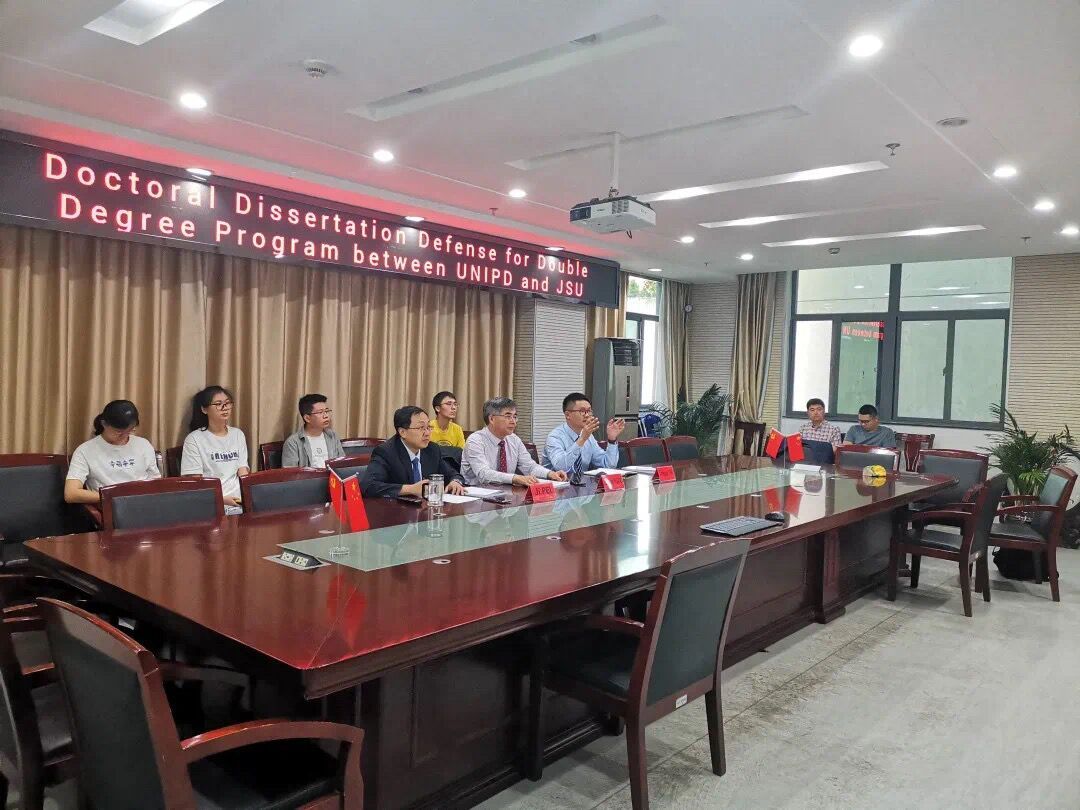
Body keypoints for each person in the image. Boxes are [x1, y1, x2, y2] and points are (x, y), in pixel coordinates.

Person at [64, 400, 161, 504]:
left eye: (130, 430)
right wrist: (114, 498)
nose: (125, 436)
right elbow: (71, 494)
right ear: (104, 424)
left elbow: (156, 482)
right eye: (119, 432)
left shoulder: (143, 444)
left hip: (145, 503)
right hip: (111, 506)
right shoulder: (85, 451)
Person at [360, 406, 466, 498]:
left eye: (428, 427)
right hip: (397, 512)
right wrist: (410, 489)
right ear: (403, 432)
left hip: (427, 510)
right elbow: (368, 486)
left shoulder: (432, 449)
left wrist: (455, 482)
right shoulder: (386, 452)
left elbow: (453, 474)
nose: (427, 433)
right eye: (421, 428)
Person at [461, 397, 568, 486]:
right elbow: (484, 474)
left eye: (515, 416)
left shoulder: (514, 439)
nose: (513, 421)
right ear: (492, 419)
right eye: (508, 416)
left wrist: (550, 474)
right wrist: (515, 478)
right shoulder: (475, 441)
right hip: (476, 496)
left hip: (506, 494)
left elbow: (530, 467)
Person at [180, 385, 249, 511]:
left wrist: (247, 499)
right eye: (218, 404)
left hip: (239, 502)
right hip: (210, 504)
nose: (225, 408)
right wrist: (222, 500)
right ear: (204, 409)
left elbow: (243, 473)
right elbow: (196, 484)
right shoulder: (194, 439)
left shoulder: (237, 434)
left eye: (227, 403)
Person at [542, 393, 624, 476]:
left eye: (589, 411)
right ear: (567, 415)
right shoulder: (554, 437)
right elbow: (562, 467)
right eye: (582, 411)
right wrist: (582, 439)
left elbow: (608, 465)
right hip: (557, 483)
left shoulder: (588, 436)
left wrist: (612, 439)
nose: (587, 415)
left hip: (582, 482)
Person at [282, 393, 344, 468]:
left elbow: (342, 464)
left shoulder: (332, 436)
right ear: (307, 418)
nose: (326, 416)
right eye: (320, 412)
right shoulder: (293, 443)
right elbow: (290, 473)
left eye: (327, 411)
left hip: (332, 476)